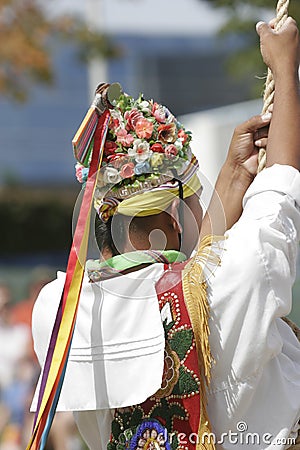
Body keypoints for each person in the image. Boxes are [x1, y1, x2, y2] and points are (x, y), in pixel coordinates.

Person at [31, 17, 300, 450]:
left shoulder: (57, 312)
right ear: (176, 216)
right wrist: (287, 69)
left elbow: (186, 276)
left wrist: (232, 176)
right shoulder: (235, 277)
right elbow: (281, 185)